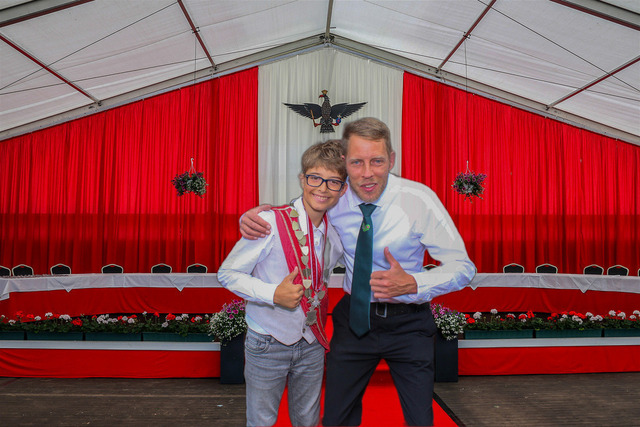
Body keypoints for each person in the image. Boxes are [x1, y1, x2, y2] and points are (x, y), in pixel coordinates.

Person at [240, 117, 476, 426]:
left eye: (377, 161)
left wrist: (414, 283)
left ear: (391, 159)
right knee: (336, 419)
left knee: (421, 419)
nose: (367, 173)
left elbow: (463, 267)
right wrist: (256, 218)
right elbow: (296, 215)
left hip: (409, 325)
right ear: (345, 161)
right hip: (355, 321)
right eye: (357, 162)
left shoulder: (419, 200)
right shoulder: (334, 198)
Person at [217, 140, 347, 427]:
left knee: (307, 421)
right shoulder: (269, 222)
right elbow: (228, 273)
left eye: (334, 182)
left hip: (312, 342)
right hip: (267, 341)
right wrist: (272, 293)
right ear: (302, 179)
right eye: (315, 178)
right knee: (262, 422)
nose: (323, 188)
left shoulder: (336, 233)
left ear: (343, 189)